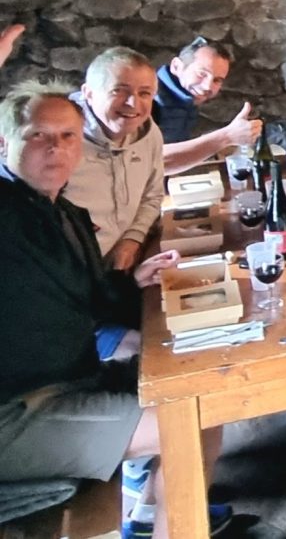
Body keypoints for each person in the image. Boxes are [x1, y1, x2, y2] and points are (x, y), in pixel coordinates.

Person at [0, 81, 229, 539]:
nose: (56, 149)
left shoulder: (63, 212)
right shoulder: (7, 210)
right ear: (4, 143)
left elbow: (83, 297)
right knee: (185, 419)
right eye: (38, 136)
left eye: (67, 136)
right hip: (17, 413)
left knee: (206, 394)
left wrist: (130, 282)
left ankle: (152, 516)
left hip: (71, 378)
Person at [66, 48, 165, 271]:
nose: (133, 103)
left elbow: (153, 195)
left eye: (145, 93)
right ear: (88, 93)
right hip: (74, 276)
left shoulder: (149, 134)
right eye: (119, 91)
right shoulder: (62, 140)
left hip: (127, 265)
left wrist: (132, 238)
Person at [152, 37, 263, 175]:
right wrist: (226, 137)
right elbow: (150, 161)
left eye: (217, 80)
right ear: (176, 66)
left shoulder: (183, 96)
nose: (207, 86)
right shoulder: (148, 97)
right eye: (201, 74)